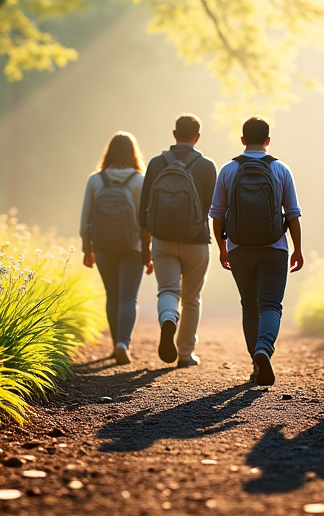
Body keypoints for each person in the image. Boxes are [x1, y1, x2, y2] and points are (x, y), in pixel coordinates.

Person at [210, 116, 304, 386]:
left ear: (242, 140)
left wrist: (222, 247)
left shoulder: (228, 170)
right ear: (268, 140)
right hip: (275, 248)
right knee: (271, 305)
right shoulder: (280, 169)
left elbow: (216, 214)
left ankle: (255, 362)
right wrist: (297, 248)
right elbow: (293, 213)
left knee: (249, 306)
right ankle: (265, 349)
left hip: (239, 248)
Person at [139, 114, 218, 367]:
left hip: (162, 239)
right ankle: (185, 353)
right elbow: (214, 208)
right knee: (192, 298)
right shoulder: (207, 166)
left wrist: (146, 247)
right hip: (196, 240)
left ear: (174, 134)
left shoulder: (155, 164)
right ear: (197, 137)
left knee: (168, 291)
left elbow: (143, 211)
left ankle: (168, 320)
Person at [80, 132, 152, 365]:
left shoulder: (95, 180)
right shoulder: (139, 180)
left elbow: (85, 220)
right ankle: (123, 343)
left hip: (103, 245)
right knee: (128, 296)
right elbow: (145, 221)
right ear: (133, 153)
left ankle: (114, 345)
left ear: (108, 152)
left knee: (112, 294)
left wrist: (87, 248)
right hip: (133, 246)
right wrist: (147, 252)